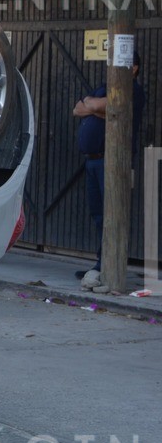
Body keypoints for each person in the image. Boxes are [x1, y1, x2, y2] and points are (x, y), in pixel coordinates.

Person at [72, 50, 147, 292]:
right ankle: (101, 263)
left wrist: (94, 106)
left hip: (112, 162)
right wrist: (99, 109)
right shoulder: (104, 86)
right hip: (93, 161)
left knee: (111, 215)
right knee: (98, 215)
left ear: (134, 68)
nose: (110, 68)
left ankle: (110, 267)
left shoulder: (131, 90)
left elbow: (106, 107)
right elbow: (77, 109)